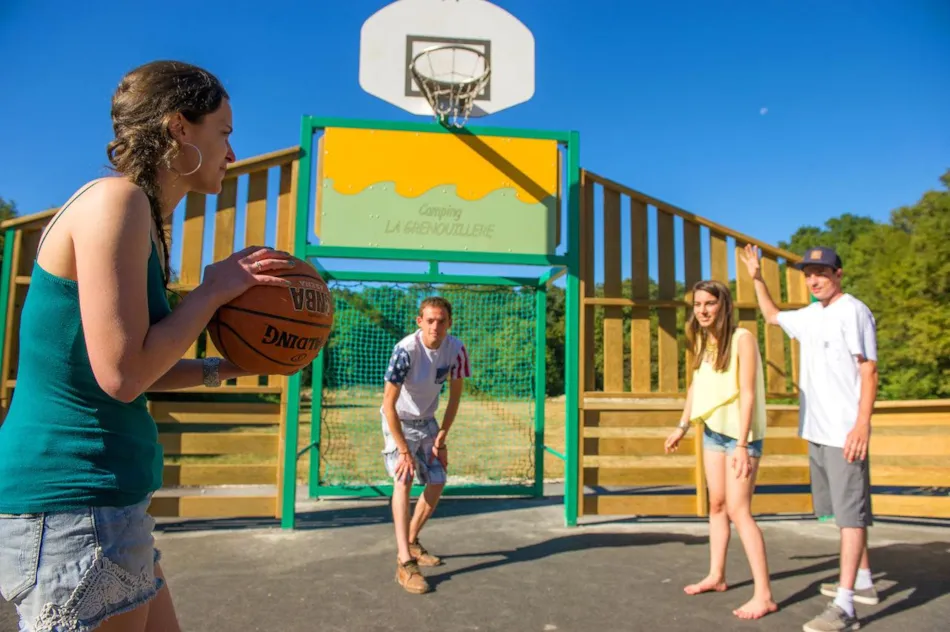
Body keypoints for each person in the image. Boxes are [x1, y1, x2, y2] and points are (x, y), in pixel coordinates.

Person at [0, 60, 296, 632]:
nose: (232, 153)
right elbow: (122, 376)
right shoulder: (117, 202)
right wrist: (212, 292)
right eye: (224, 132)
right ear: (180, 127)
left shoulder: (144, 222)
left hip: (105, 499)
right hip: (72, 499)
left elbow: (137, 364)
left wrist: (227, 367)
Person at [741, 244, 879, 632]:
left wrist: (862, 424)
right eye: (808, 274)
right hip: (818, 431)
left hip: (844, 432)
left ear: (838, 274)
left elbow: (868, 371)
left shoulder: (854, 311)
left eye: (821, 272)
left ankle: (846, 607)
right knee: (843, 512)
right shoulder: (810, 315)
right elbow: (771, 315)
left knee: (851, 517)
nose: (814, 280)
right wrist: (757, 278)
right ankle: (863, 581)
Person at [665, 280, 779, 620]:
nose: (702, 310)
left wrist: (742, 444)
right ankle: (717, 576)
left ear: (723, 305)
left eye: (709, 303)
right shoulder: (703, 340)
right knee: (716, 505)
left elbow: (748, 393)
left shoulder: (743, 339)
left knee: (739, 510)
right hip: (713, 434)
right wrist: (682, 426)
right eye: (698, 304)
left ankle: (764, 595)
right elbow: (696, 386)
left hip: (741, 437)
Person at [380, 296, 471, 594]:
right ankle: (404, 563)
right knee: (403, 478)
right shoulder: (406, 350)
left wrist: (442, 435)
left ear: (449, 323)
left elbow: (455, 397)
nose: (435, 326)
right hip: (399, 420)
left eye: (441, 321)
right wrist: (404, 451)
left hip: (427, 420)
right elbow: (388, 404)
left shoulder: (456, 350)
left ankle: (411, 541)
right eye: (430, 320)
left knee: (438, 480)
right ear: (419, 322)